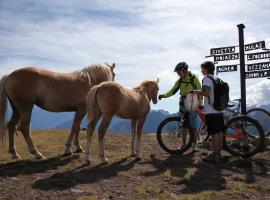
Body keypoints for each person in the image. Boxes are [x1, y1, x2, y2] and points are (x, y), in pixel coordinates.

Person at [159, 62, 202, 151]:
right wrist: (164, 95)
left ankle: (195, 144)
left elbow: (200, 91)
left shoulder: (194, 79)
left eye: (178, 72)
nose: (178, 74)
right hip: (182, 104)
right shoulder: (180, 81)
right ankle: (183, 143)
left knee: (193, 125)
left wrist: (200, 104)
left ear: (183, 70)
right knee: (183, 125)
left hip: (192, 104)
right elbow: (173, 91)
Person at [191, 61, 226, 164]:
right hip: (219, 109)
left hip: (211, 111)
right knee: (219, 132)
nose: (201, 71)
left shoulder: (207, 79)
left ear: (206, 69)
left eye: (202, 69)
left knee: (214, 134)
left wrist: (194, 91)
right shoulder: (217, 78)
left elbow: (206, 93)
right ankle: (218, 154)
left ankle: (214, 156)